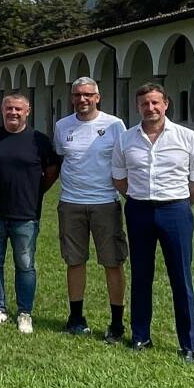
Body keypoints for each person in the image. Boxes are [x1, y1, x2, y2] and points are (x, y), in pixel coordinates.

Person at [112, 83, 194, 363]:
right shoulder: (126, 139)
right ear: (137, 106)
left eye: (156, 103)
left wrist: (179, 205)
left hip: (175, 210)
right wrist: (138, 198)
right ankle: (141, 336)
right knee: (141, 275)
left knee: (181, 278)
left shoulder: (186, 137)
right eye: (145, 104)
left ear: (166, 104)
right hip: (139, 210)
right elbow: (119, 177)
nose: (151, 108)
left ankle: (188, 344)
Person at [52, 77, 128, 341]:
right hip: (71, 203)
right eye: (76, 95)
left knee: (113, 262)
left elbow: (124, 161)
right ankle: (76, 317)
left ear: (97, 97)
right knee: (74, 261)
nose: (81, 100)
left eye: (87, 95)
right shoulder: (63, 126)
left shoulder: (115, 125)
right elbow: (62, 158)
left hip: (105, 202)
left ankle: (117, 323)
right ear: (72, 98)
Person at [0, 92, 59, 334]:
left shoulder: (39, 140)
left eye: (18, 109)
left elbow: (52, 171)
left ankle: (25, 313)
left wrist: (36, 193)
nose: (13, 113)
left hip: (25, 214)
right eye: (9, 108)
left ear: (28, 111)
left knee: (25, 264)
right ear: (2, 110)